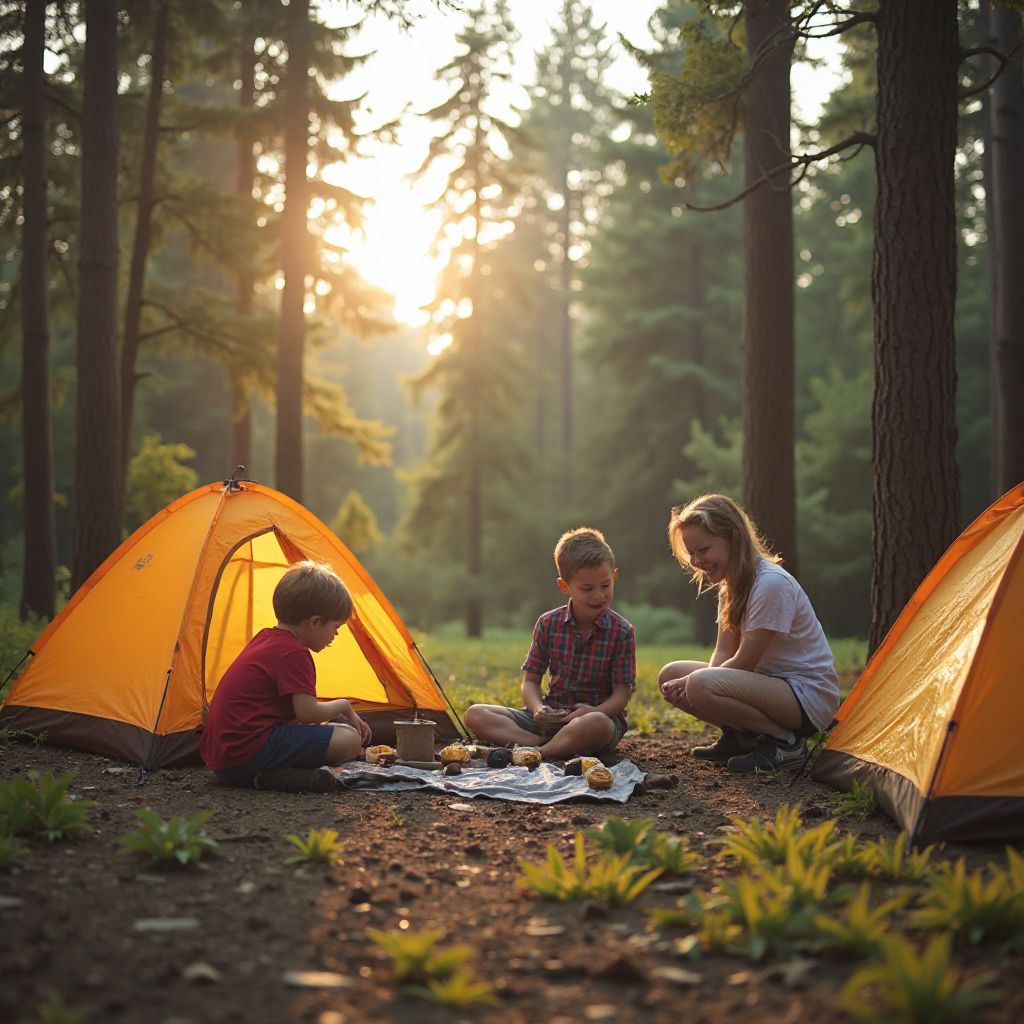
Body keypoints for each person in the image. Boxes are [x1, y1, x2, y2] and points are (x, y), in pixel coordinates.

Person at [659, 494, 840, 773]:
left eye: (704, 549)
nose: (697, 560)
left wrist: (700, 685)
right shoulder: (730, 586)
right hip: (767, 685)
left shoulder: (770, 584)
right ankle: (743, 738)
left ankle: (786, 742)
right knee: (671, 675)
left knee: (698, 684)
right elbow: (724, 652)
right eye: (691, 552)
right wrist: (701, 684)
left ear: (733, 536)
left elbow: (744, 662)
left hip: (806, 697)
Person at [464, 527, 636, 761]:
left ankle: (538, 753)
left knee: (595, 724)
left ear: (614, 578)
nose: (598, 595)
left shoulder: (622, 632)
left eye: (605, 586)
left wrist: (592, 711)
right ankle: (542, 745)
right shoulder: (548, 623)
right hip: (550, 718)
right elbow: (531, 681)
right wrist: (537, 709)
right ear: (565, 587)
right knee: (476, 714)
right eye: (587, 589)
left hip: (596, 719)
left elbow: (621, 697)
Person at [200, 560, 372, 791]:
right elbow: (307, 713)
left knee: (340, 730)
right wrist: (344, 706)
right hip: (246, 753)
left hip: (224, 756)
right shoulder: (294, 653)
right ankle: (275, 777)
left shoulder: (266, 638)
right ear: (314, 622)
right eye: (335, 627)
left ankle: (267, 774)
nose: (335, 635)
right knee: (350, 741)